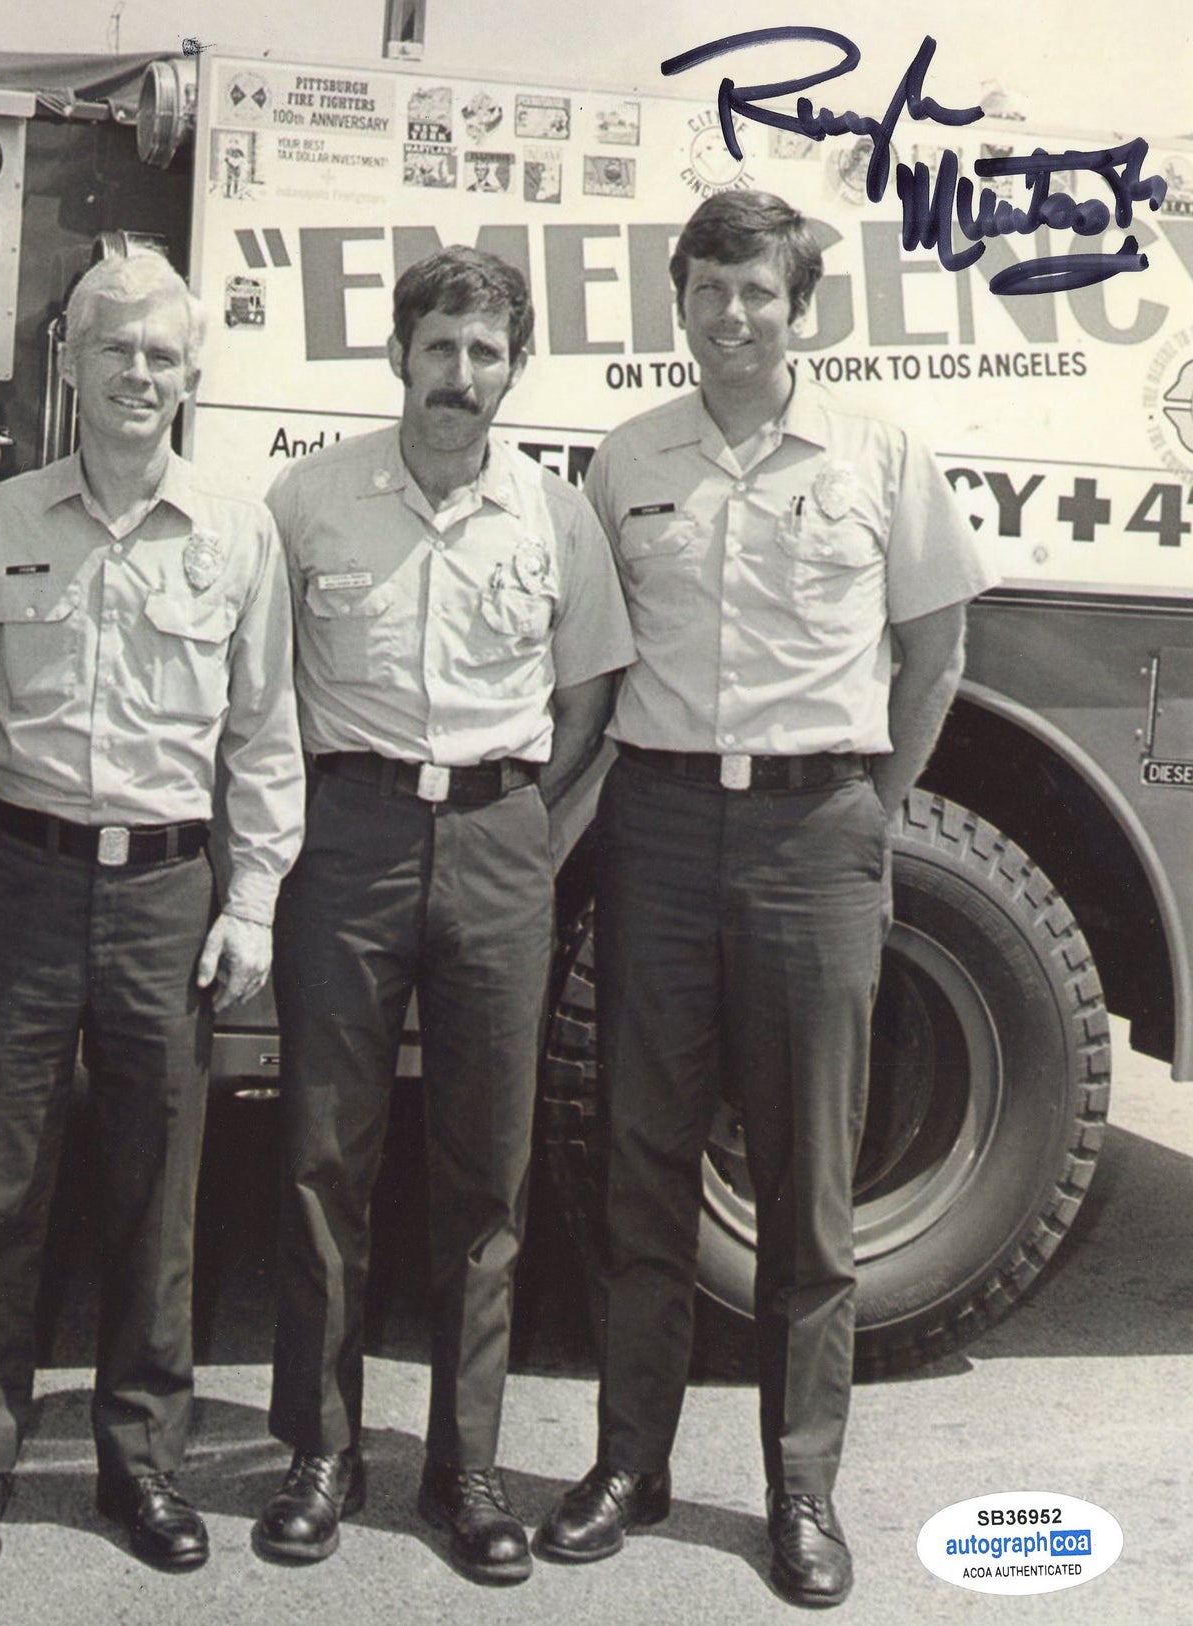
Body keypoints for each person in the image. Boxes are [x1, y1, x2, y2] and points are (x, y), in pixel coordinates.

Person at [532, 190, 994, 1609]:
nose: (735, 315)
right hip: (660, 826)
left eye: (761, 293)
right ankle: (630, 1462)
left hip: (815, 833)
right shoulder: (627, 462)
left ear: (805, 313)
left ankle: (802, 1489)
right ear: (680, 301)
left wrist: (859, 802)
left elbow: (933, 654)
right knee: (642, 1162)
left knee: (808, 1186)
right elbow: (595, 671)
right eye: (711, 289)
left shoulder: (879, 455)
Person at [258, 245, 634, 1584]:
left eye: (485, 355)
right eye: (439, 349)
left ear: (513, 369)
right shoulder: (309, 501)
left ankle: (463, 1463)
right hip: (345, 837)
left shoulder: (554, 516)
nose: (459, 377)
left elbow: (589, 699)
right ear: (398, 355)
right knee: (321, 1155)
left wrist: (536, 837)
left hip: (494, 840)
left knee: (487, 1169)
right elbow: (260, 689)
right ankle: (317, 1448)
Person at [0, 251, 302, 1576]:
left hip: (166, 889)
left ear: (192, 377)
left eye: (162, 356)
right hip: (23, 880)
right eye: (114, 351)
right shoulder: (10, 515)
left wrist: (251, 901)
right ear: (68, 367)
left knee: (159, 1193)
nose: (138, 375)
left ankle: (142, 1460)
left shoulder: (236, 529)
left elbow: (263, 732)